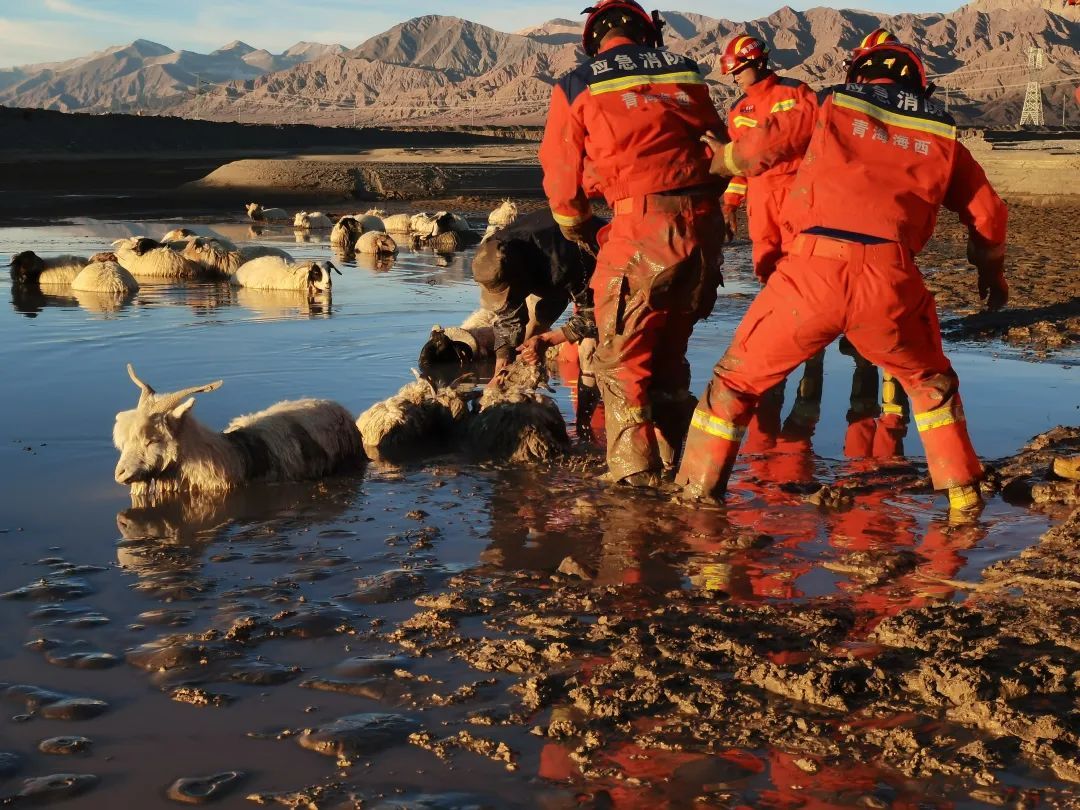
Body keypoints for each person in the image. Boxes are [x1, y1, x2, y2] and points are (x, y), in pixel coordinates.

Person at [678, 37, 1009, 517]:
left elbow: (759, 151)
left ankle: (696, 506)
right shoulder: (941, 133)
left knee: (734, 387)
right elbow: (989, 216)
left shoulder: (828, 103)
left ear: (858, 73)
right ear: (918, 83)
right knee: (931, 387)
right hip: (891, 280)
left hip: (809, 273)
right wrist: (992, 275)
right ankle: (962, 505)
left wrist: (722, 159)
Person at [538, 0, 727, 490]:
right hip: (702, 235)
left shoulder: (578, 83)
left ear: (593, 38)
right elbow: (720, 147)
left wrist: (582, 231)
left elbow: (562, 188)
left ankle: (634, 494)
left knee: (622, 367)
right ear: (648, 33)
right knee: (669, 360)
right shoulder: (685, 72)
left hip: (640, 230)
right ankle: (679, 475)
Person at [717, 35, 817, 282]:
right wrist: (730, 204)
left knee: (801, 263)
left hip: (797, 193)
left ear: (759, 63)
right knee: (766, 267)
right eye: (733, 72)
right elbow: (740, 166)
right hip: (760, 202)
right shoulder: (738, 111)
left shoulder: (796, 93)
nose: (735, 77)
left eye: (740, 70)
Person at [470, 208, 604, 380]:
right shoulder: (493, 255)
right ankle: (527, 376)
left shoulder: (563, 263)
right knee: (528, 341)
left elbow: (594, 315)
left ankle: (590, 394)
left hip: (601, 264)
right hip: (545, 272)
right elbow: (508, 316)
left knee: (589, 351)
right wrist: (501, 366)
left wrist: (548, 339)